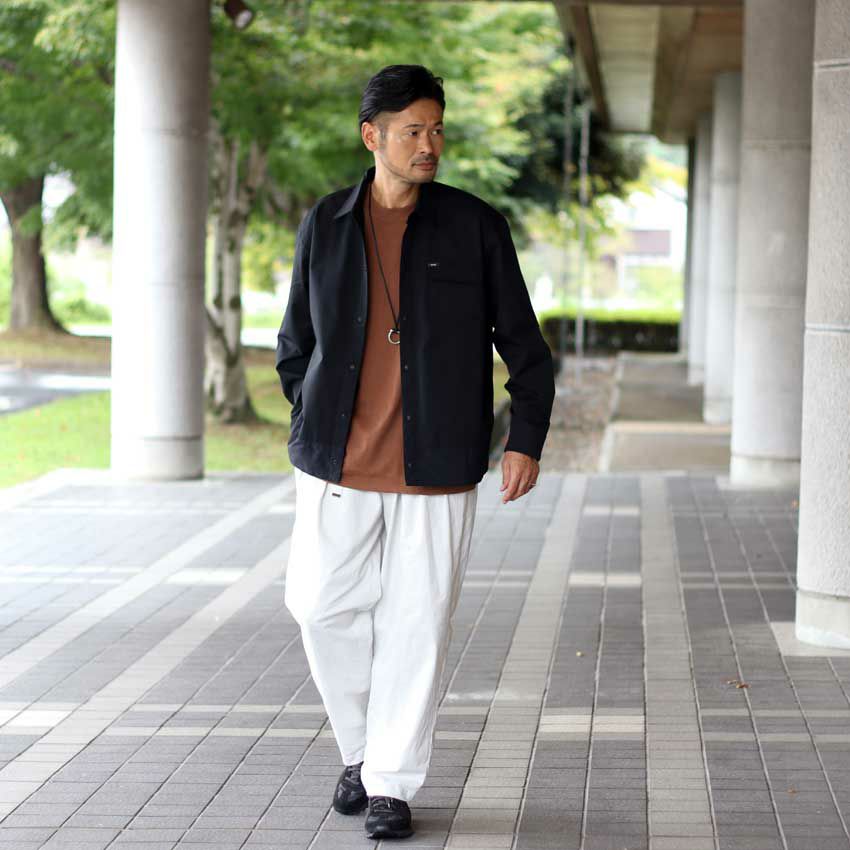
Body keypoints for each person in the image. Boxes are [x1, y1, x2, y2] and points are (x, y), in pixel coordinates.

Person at [275, 64, 555, 841]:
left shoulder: (474, 225)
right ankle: (362, 751)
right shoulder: (326, 223)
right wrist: (312, 411)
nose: (429, 144)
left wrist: (524, 439)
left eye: (436, 130)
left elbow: (524, 345)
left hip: (438, 462)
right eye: (412, 131)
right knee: (318, 605)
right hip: (337, 459)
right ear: (372, 136)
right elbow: (296, 341)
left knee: (417, 624)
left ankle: (391, 784)